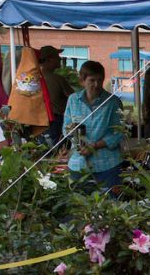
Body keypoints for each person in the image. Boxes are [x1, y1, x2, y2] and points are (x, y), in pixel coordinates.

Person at [63, 61, 125, 191]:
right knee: (80, 206)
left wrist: (94, 146)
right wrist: (73, 134)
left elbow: (118, 133)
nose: (96, 84)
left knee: (110, 205)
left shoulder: (113, 102)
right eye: (92, 80)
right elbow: (66, 128)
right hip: (78, 162)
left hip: (107, 163)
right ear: (82, 80)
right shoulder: (73, 100)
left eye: (100, 80)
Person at [37, 46, 74, 144]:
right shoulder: (58, 79)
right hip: (55, 122)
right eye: (57, 56)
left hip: (38, 123)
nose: (60, 58)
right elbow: (75, 98)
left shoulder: (34, 78)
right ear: (49, 60)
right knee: (59, 152)